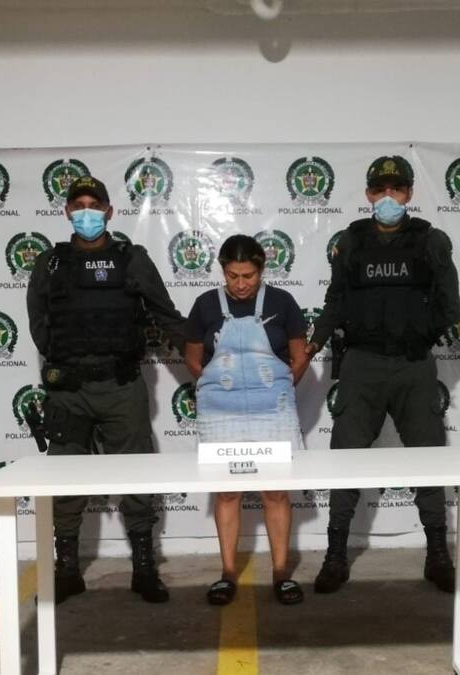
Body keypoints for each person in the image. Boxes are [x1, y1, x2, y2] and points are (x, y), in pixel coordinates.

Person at [306, 156, 460, 594]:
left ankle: (438, 555)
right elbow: (335, 300)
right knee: (346, 462)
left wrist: (431, 333)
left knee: (428, 463)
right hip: (363, 365)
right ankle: (335, 555)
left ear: (409, 193)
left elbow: (450, 305)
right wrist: (313, 344)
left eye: (397, 188)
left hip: (414, 366)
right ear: (368, 194)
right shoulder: (351, 241)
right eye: (380, 189)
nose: (388, 196)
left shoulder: (431, 240)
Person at [26, 175, 186, 604]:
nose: (86, 213)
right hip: (69, 391)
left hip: (121, 386)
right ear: (66, 212)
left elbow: (165, 314)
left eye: (94, 205)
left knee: (136, 478)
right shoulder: (50, 264)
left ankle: (144, 568)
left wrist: (201, 355)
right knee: (65, 482)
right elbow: (39, 324)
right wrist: (69, 361)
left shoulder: (131, 259)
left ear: (109, 211)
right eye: (78, 205)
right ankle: (67, 570)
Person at [184, 234, 311, 606]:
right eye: (233, 275)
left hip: (273, 411)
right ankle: (227, 573)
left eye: (249, 276)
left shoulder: (282, 302)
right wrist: (215, 386)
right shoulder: (205, 305)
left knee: (276, 491)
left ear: (262, 270)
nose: (240, 284)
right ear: (223, 270)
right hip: (219, 414)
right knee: (227, 492)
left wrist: (276, 389)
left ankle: (281, 573)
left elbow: (299, 357)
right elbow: (193, 358)